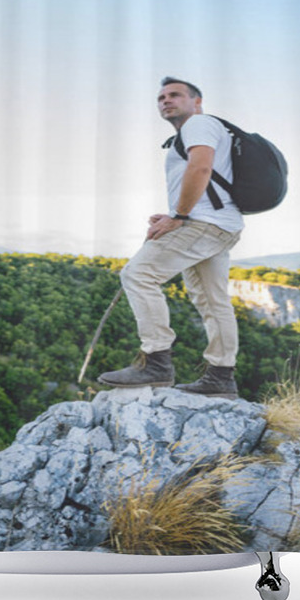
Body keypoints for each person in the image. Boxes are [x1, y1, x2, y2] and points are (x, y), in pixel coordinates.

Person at [97, 77, 244, 399]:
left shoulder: (199, 124)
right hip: (221, 224)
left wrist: (178, 216)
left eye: (175, 95)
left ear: (197, 101)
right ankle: (221, 377)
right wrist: (175, 213)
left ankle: (156, 362)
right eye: (161, 97)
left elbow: (201, 168)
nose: (166, 100)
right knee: (212, 301)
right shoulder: (201, 130)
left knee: (138, 274)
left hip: (203, 224)